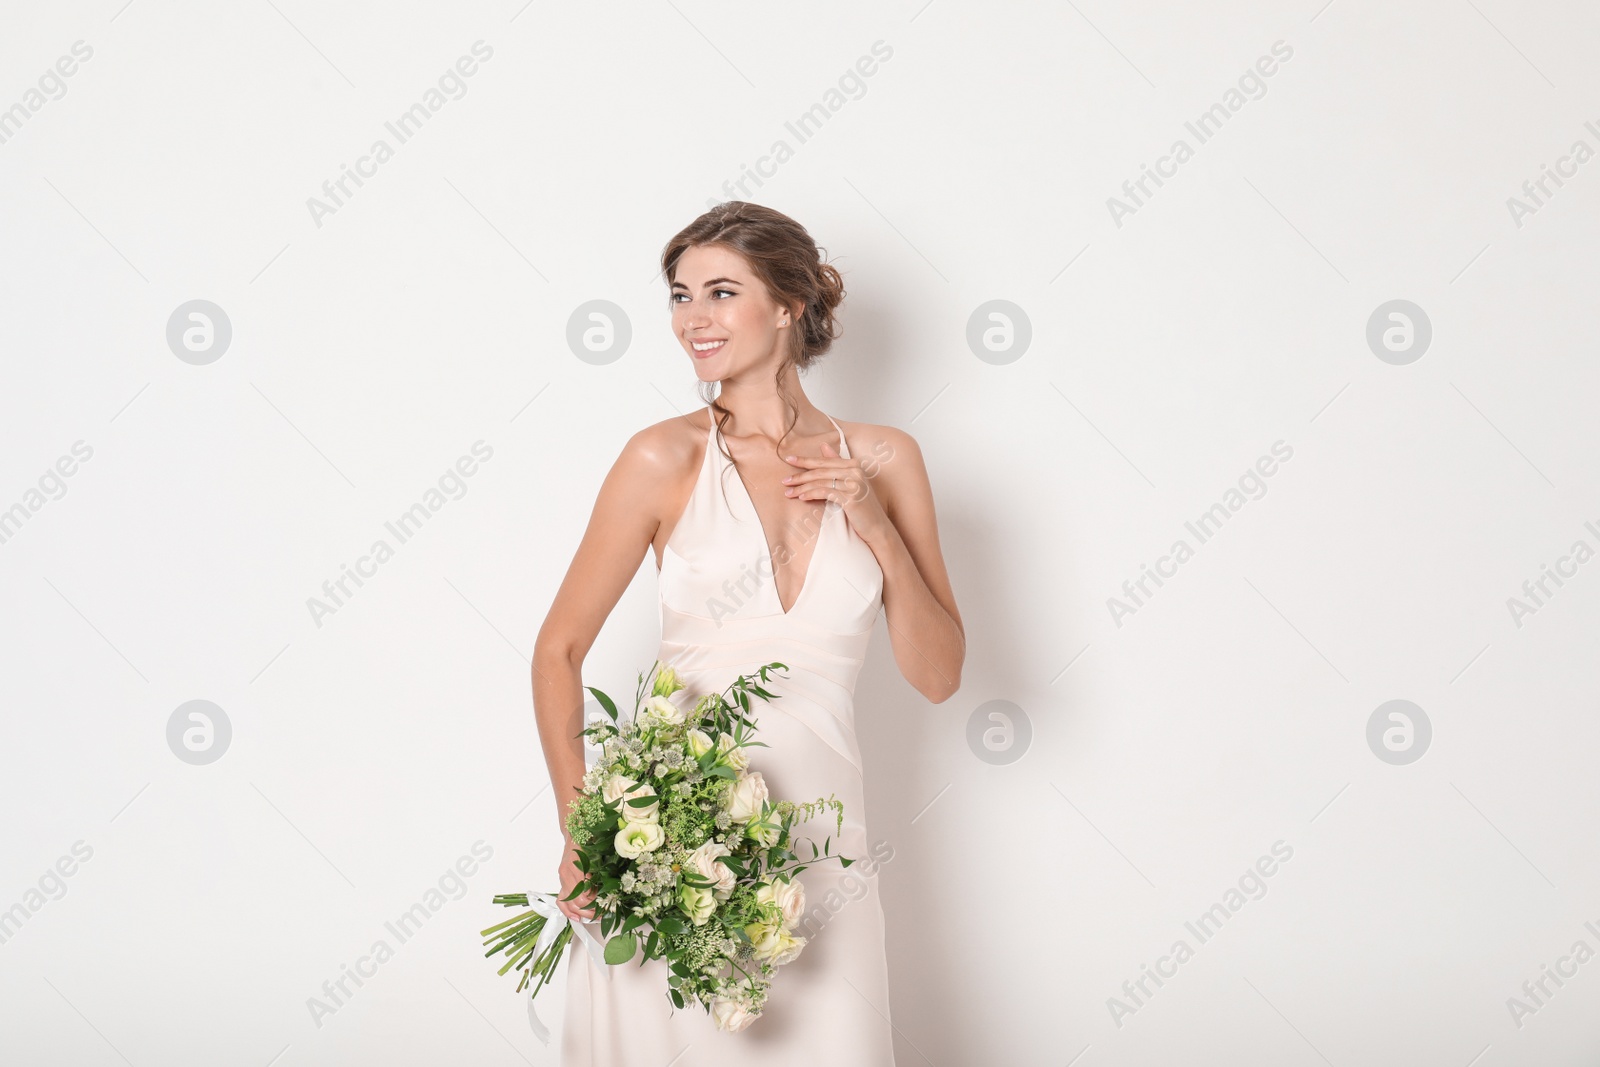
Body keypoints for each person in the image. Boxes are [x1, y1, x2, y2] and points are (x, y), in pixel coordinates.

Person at [531, 200, 964, 1064]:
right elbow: (560, 649)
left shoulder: (885, 457)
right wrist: (582, 829)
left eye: (721, 292)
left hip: (824, 852)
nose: (694, 317)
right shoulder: (662, 457)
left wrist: (873, 522)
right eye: (681, 294)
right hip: (677, 849)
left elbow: (940, 674)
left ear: (788, 304)